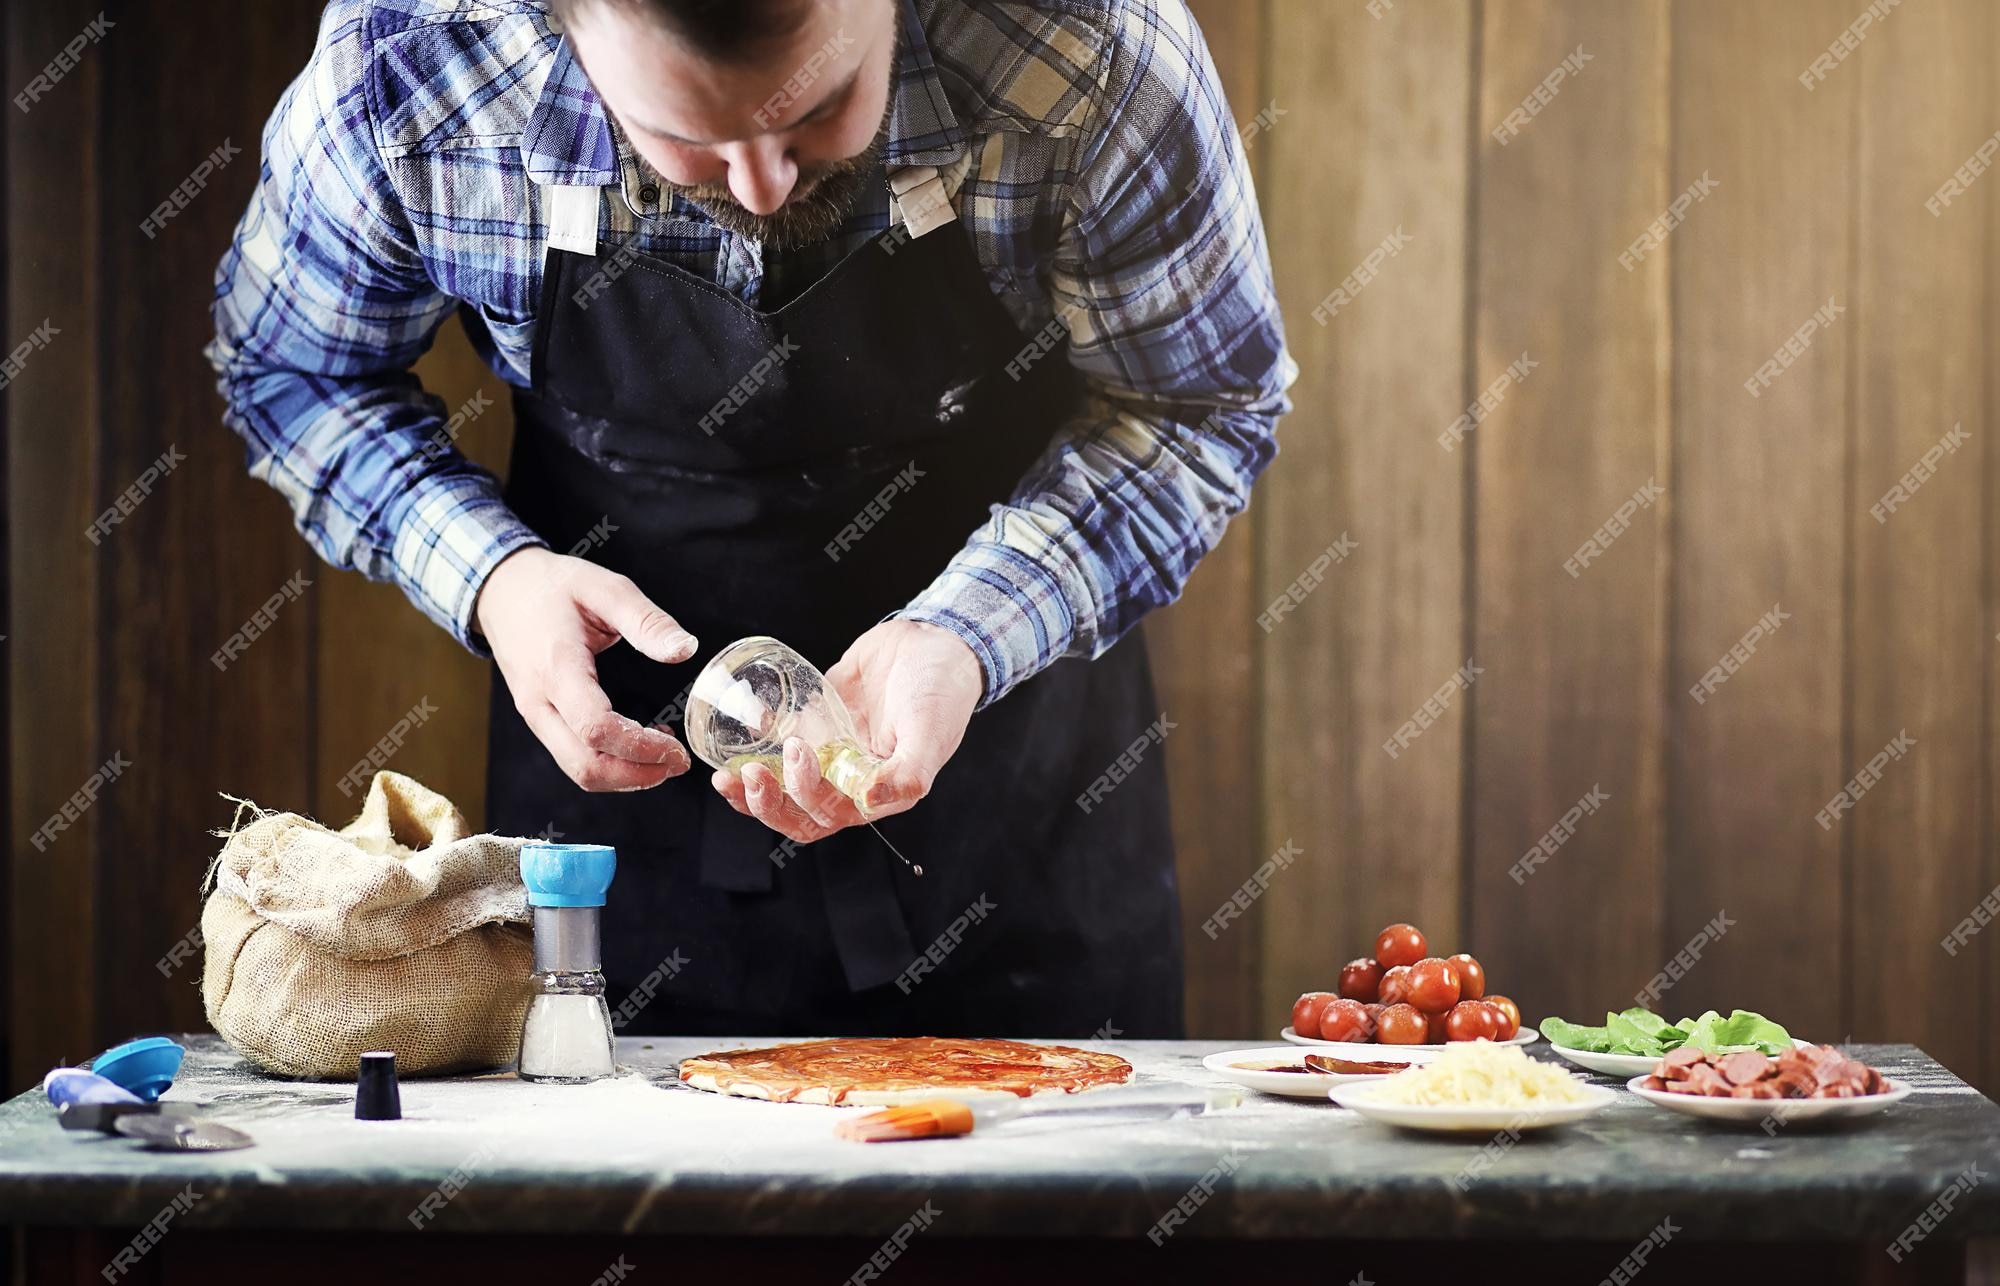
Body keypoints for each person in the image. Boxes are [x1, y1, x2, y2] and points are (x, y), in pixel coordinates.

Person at [209, 0, 1292, 1038]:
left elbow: (1196, 405)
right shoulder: (411, 69)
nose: (764, 187)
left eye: (820, 109)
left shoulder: (1087, 48)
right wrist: (494, 578)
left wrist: (971, 630)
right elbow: (294, 373)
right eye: (688, 138)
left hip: (1017, 813)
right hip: (622, 843)